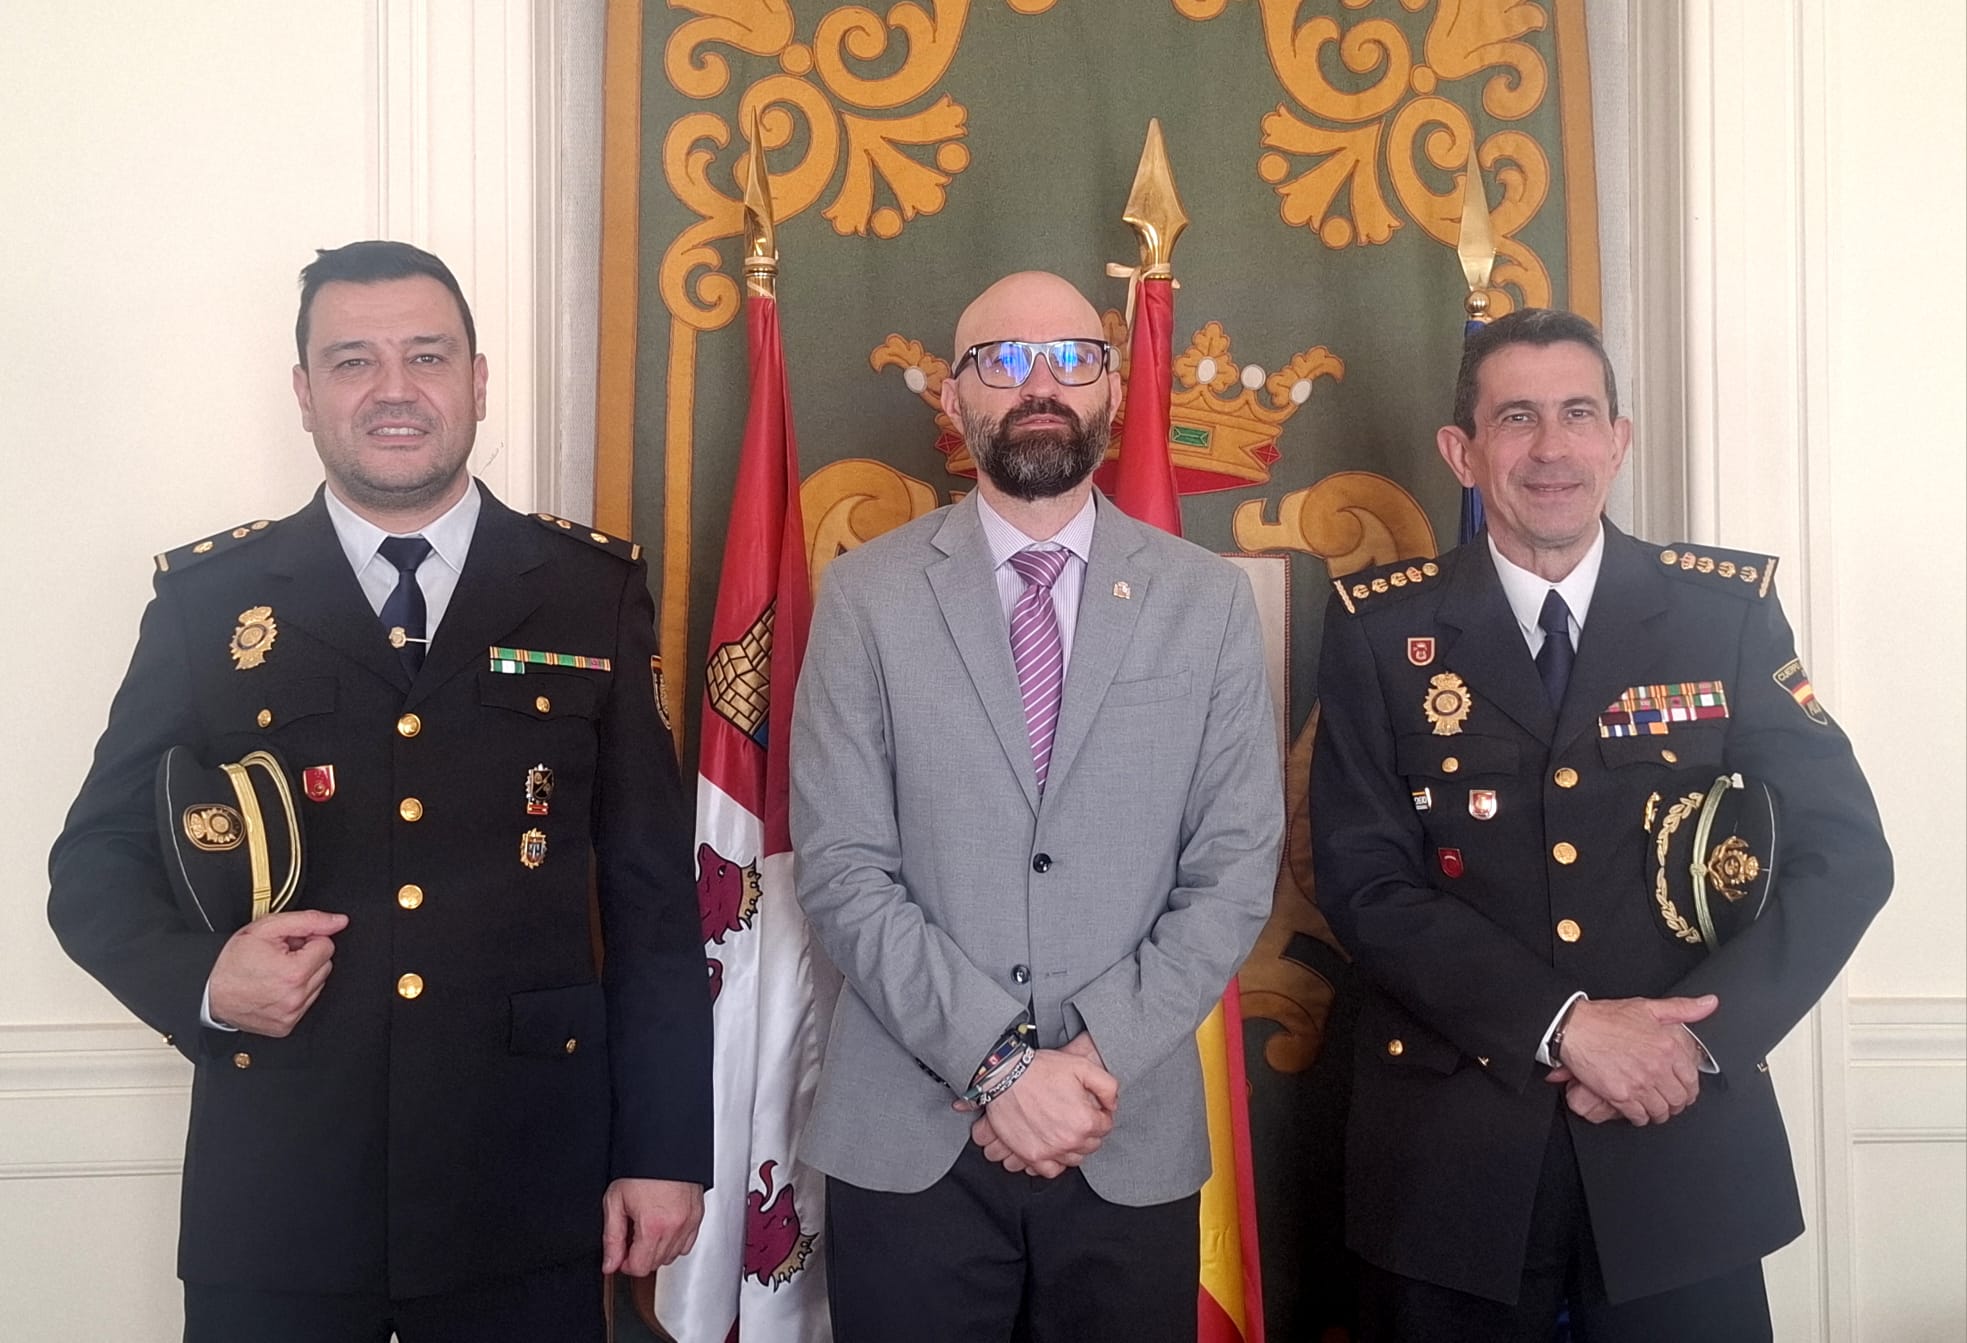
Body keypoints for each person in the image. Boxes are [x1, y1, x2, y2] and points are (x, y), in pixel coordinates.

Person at [47, 240, 712, 1343]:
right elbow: (91, 867)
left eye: (426, 355)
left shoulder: (587, 593)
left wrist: (661, 1149)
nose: (394, 389)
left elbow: (650, 897)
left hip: (525, 1187)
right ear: (304, 393)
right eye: (352, 360)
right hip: (280, 1199)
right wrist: (204, 979)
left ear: (479, 379)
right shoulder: (211, 604)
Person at [1311, 307, 1893, 1341]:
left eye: (1578, 414)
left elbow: (1842, 853)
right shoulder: (1378, 629)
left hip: (1676, 1142)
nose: (1551, 449)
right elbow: (1364, 880)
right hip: (1452, 1159)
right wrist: (1565, 1023)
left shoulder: (1721, 613)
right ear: (1463, 448)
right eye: (1517, 417)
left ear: (1616, 439)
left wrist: (1696, 1048)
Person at [789, 270, 1283, 1342]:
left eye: (1072, 356)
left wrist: (1084, 1068)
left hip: (1124, 1130)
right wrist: (1001, 1066)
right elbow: (841, 866)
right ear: (954, 398)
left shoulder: (1203, 602)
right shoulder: (864, 598)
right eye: (1003, 360)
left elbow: (1236, 864)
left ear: (1110, 387)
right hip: (909, 1145)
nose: (1040, 384)